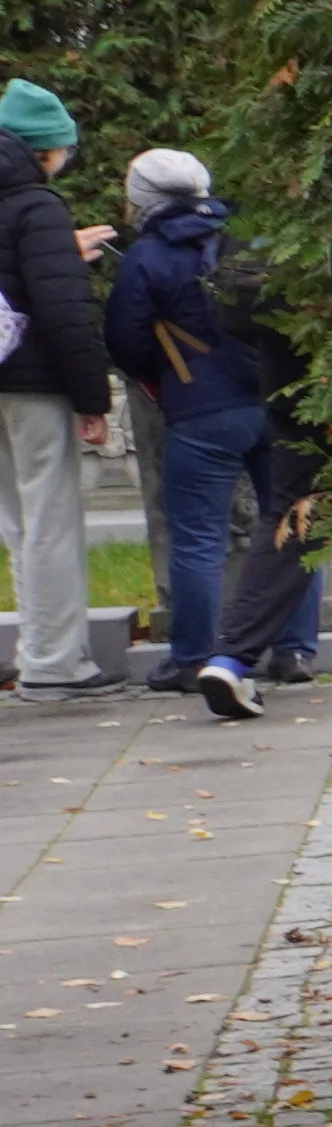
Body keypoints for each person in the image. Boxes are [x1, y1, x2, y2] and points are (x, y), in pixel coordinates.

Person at [100, 150, 308, 718]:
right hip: (276, 398)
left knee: (197, 537)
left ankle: (193, 657)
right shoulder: (247, 237)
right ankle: (294, 650)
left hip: (202, 407)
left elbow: (125, 339)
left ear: (142, 200)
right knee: (293, 521)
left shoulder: (145, 256)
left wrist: (165, 379)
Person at [0, 85, 117, 704]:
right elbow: (63, 312)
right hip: (32, 383)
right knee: (50, 519)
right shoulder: (34, 205)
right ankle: (53, 664)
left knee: (16, 525)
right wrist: (92, 398)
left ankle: (32, 652)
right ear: (44, 149)